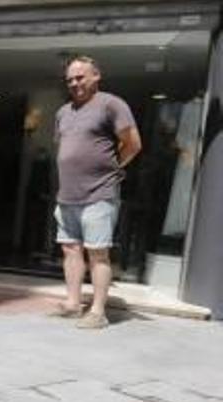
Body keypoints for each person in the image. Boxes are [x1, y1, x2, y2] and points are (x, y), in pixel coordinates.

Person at [50, 56, 142, 329]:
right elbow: (66, 149)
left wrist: (114, 168)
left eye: (80, 77)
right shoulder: (63, 112)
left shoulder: (111, 104)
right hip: (67, 194)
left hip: (99, 193)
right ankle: (72, 303)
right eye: (70, 79)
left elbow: (133, 144)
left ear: (96, 76)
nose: (75, 83)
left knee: (98, 253)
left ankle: (98, 311)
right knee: (70, 249)